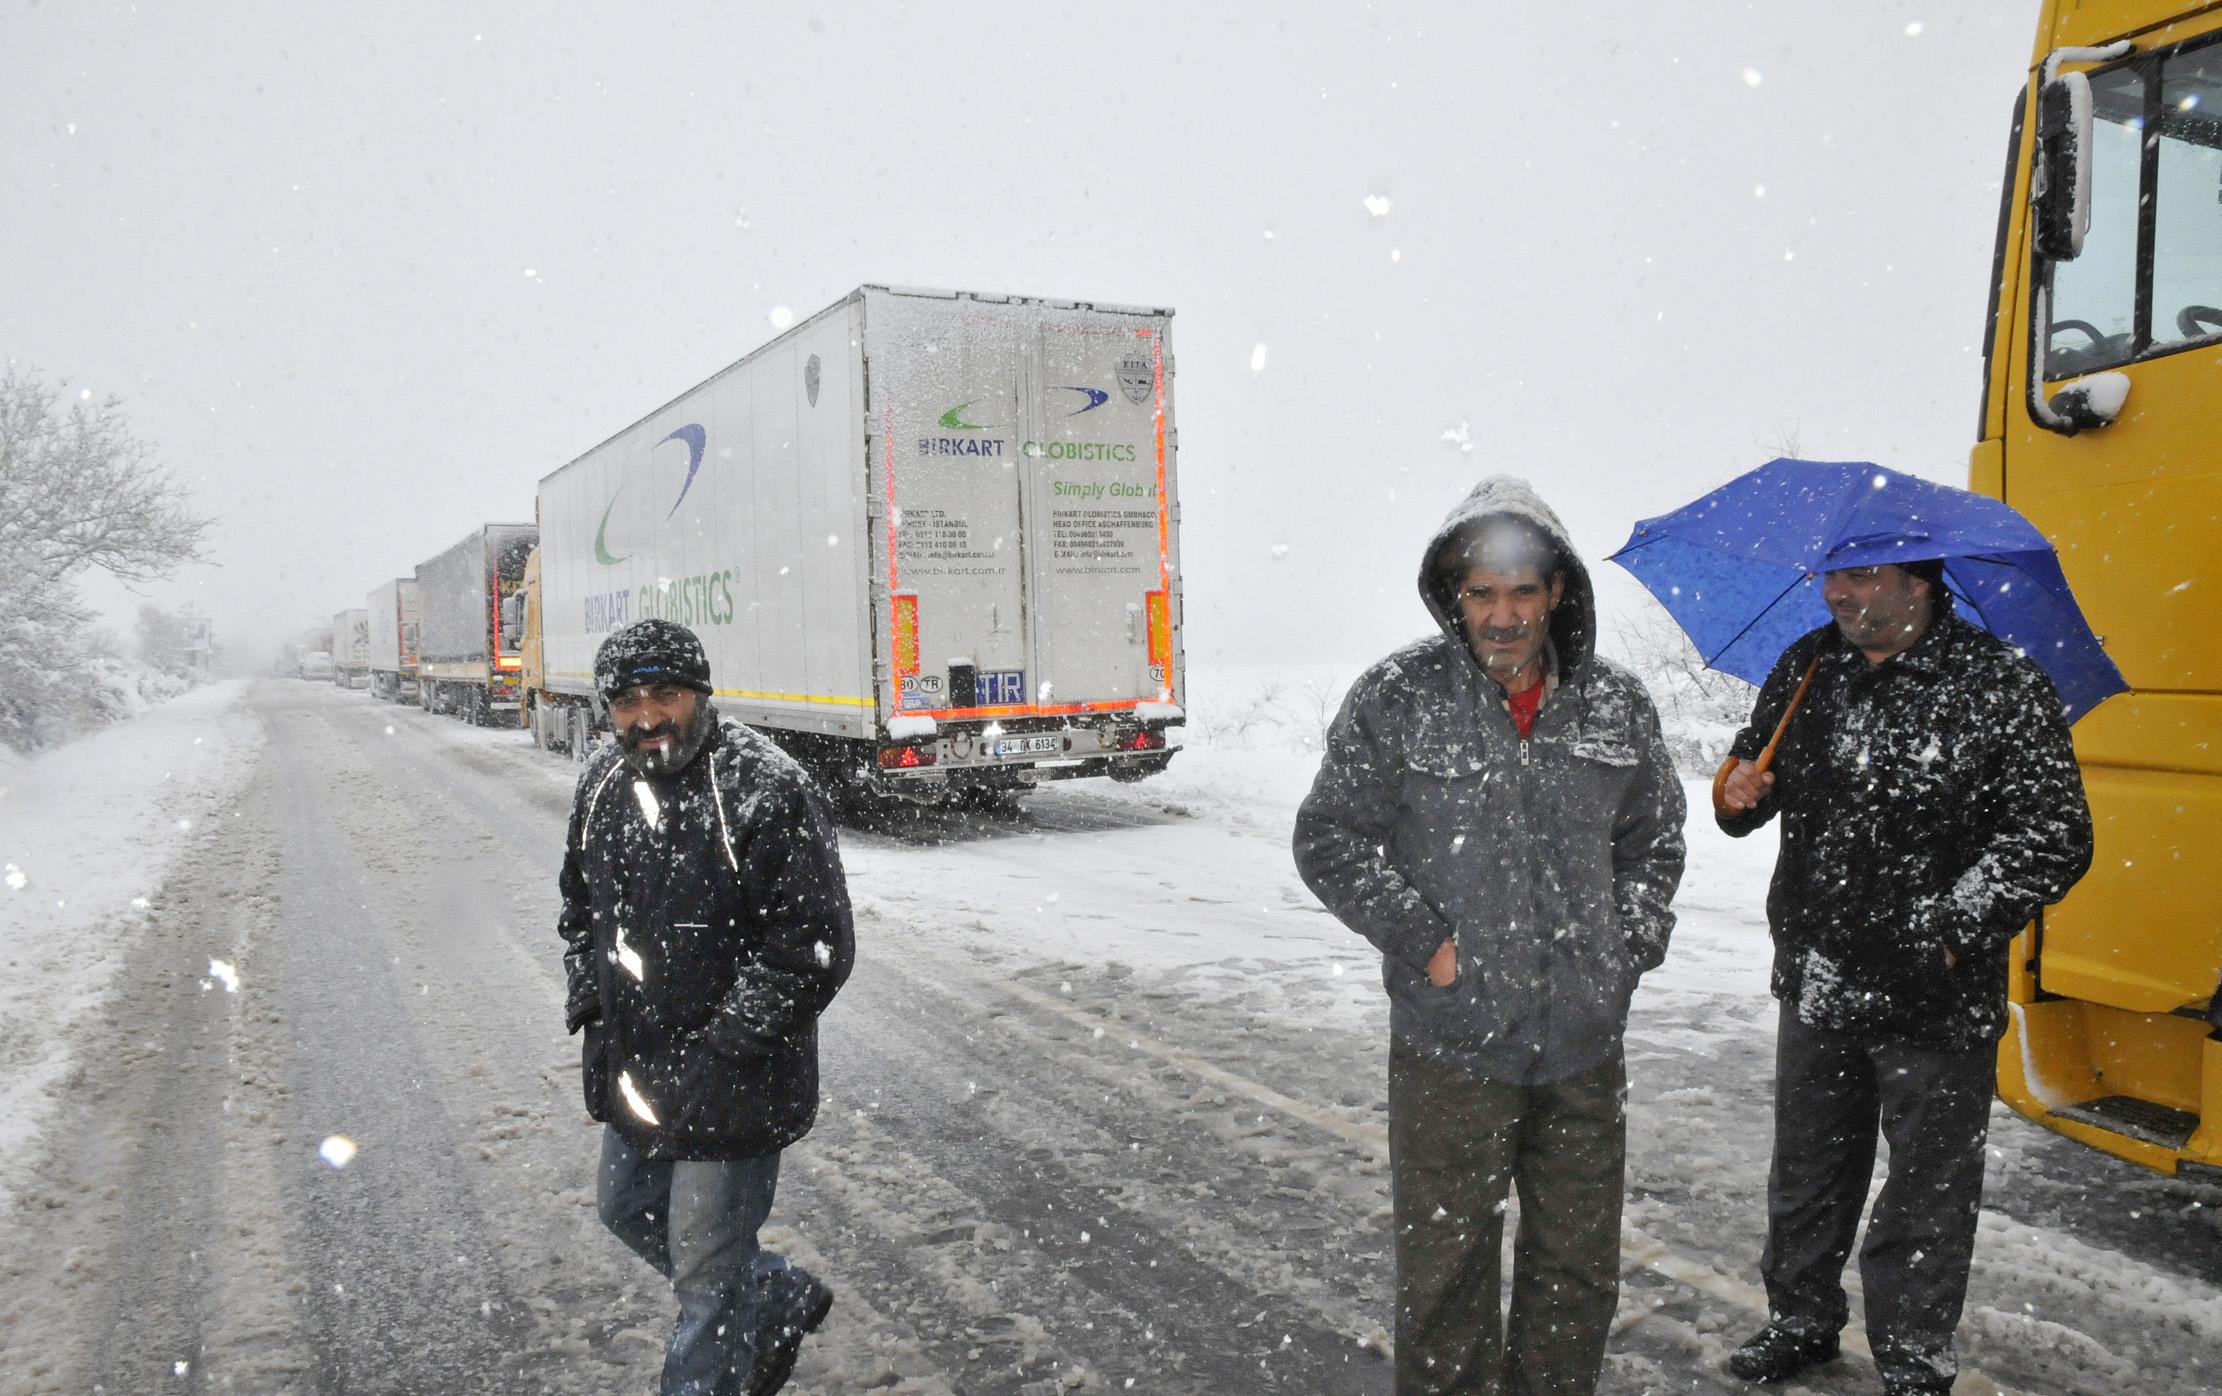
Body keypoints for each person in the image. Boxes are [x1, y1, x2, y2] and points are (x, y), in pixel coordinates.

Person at [1294, 476, 1687, 1396]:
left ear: (1557, 592)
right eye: (1482, 592)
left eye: (1522, 590)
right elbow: (1330, 836)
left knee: (1577, 1275)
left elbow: (1656, 841)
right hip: (1451, 1051)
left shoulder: (1615, 706)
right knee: (1446, 1278)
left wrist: (1622, 952)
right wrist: (1425, 942)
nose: (1503, 615)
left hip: (1585, 1052)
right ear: (1453, 596)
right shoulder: (1399, 697)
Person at [1715, 561, 2093, 1396]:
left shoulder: (1999, 684)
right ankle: (1800, 1320)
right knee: (1809, 1169)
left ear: (1919, 583)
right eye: (1833, 579)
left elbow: (2056, 833)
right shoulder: (1811, 664)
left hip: (1935, 995)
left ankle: (1914, 1354)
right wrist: (1736, 792)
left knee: (1928, 1188)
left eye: (1862, 579)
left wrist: (1948, 935)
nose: (1839, 596)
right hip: (1817, 973)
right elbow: (1750, 783)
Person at [557, 618, 856, 1396]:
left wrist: (725, 1051)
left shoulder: (766, 786)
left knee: (704, 1276)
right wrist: (593, 1011)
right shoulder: (602, 782)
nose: (647, 715)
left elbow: (811, 946)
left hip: (736, 1076)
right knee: (624, 1208)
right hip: (639, 1066)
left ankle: (720, 1349)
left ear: (701, 693)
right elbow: (579, 906)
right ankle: (778, 1295)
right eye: (627, 700)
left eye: (666, 694)